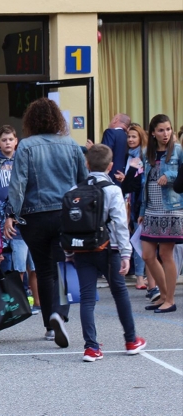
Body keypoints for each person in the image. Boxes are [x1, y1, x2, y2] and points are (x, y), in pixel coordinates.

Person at [5, 97, 88, 347]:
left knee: (43, 269)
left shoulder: (27, 146)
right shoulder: (71, 145)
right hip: (65, 213)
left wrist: (11, 214)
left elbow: (18, 184)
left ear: (30, 121)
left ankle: (49, 324)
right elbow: (83, 182)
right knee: (61, 265)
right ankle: (59, 314)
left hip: (34, 216)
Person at [64, 144, 147, 362]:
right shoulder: (112, 190)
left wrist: (69, 251)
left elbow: (68, 223)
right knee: (120, 293)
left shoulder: (74, 191)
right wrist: (126, 254)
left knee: (87, 298)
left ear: (87, 164)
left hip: (82, 248)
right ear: (110, 166)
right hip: (109, 250)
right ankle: (131, 340)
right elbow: (120, 224)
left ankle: (91, 347)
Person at [0, 126, 39, 313]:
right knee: (13, 264)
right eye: (3, 140)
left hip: (25, 218)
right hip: (3, 220)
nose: (7, 143)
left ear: (16, 141)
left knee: (32, 264)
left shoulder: (22, 161)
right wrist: (7, 213)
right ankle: (15, 303)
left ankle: (37, 301)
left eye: (10, 139)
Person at [138, 114, 181, 314]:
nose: (166, 134)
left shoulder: (178, 150)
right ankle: (163, 295)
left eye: (168, 129)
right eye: (161, 130)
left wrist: (169, 175)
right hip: (151, 209)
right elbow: (143, 184)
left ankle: (169, 300)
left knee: (165, 254)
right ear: (153, 133)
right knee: (147, 255)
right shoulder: (147, 153)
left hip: (171, 209)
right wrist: (141, 210)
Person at [116, 124, 153, 293]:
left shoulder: (143, 156)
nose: (130, 140)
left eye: (134, 137)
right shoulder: (126, 157)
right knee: (131, 237)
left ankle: (140, 276)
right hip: (127, 203)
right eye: (129, 137)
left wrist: (127, 178)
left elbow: (138, 184)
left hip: (139, 204)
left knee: (139, 239)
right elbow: (127, 185)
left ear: (141, 138)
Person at [102, 113, 131, 186]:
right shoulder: (129, 137)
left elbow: (104, 154)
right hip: (123, 177)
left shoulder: (110, 132)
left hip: (109, 176)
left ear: (115, 120)